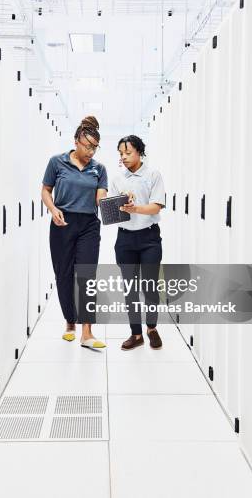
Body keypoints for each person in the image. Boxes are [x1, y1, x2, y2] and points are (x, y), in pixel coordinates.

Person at [41, 116, 108, 350]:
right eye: (87, 146)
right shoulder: (56, 162)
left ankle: (86, 332)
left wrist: (117, 202)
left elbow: (101, 198)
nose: (91, 151)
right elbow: (46, 190)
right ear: (76, 141)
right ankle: (70, 321)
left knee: (87, 276)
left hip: (89, 224)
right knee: (64, 275)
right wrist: (52, 208)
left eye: (95, 147)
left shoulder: (99, 169)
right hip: (62, 224)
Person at [111, 135, 165, 350]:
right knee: (130, 289)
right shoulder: (117, 178)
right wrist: (120, 205)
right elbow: (112, 210)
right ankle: (136, 334)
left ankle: (151, 328)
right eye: (121, 154)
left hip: (149, 238)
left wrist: (136, 208)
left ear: (139, 152)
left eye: (128, 153)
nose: (123, 157)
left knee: (150, 286)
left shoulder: (153, 174)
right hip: (125, 239)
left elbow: (156, 206)